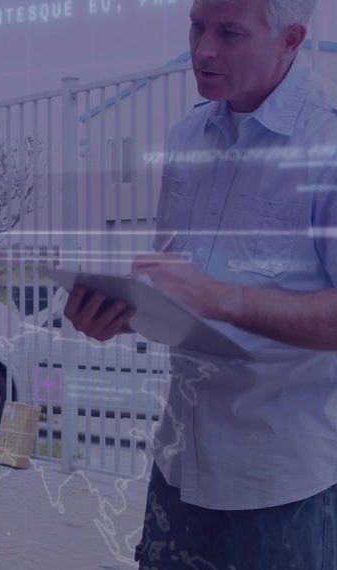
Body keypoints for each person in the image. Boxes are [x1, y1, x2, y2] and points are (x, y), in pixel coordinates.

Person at [64, 0, 337, 567]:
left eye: (230, 33)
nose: (203, 49)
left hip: (279, 482)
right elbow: (180, 295)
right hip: (178, 461)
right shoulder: (188, 135)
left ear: (291, 39)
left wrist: (226, 299)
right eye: (197, 26)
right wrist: (119, 312)